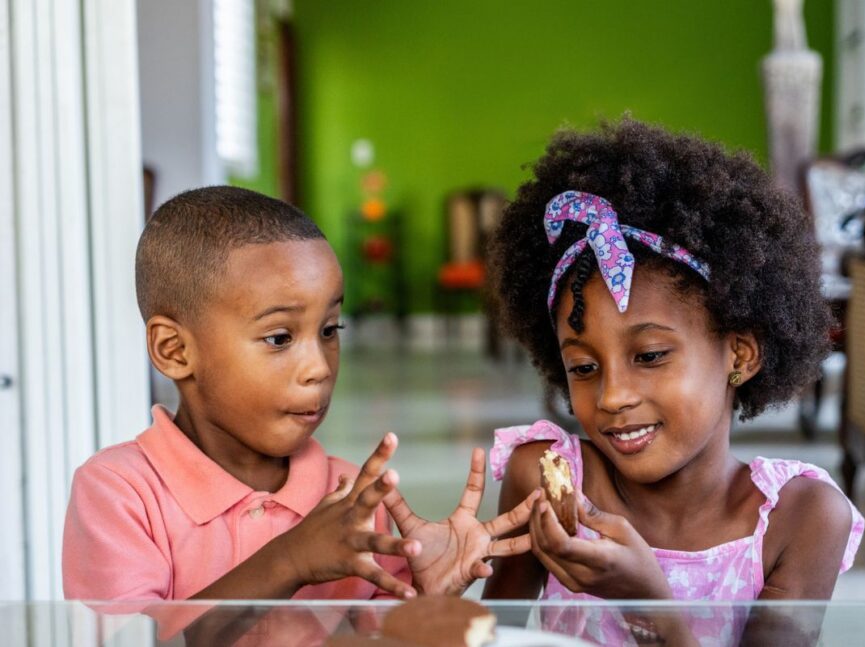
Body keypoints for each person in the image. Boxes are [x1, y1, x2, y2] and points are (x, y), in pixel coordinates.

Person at [482, 119, 865, 645]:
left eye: (651, 355)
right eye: (584, 368)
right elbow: (492, 637)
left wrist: (648, 606)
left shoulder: (800, 520)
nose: (613, 396)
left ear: (742, 353)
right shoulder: (547, 483)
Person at [63, 186, 534, 607]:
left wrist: (421, 593)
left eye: (330, 329)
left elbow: (373, 640)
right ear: (175, 350)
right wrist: (287, 561)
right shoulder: (120, 494)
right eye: (279, 338)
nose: (320, 368)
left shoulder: (348, 499)